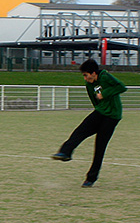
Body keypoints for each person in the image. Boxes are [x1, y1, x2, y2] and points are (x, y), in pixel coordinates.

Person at [52, 59, 127, 187]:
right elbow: (94, 100)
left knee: (100, 147)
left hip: (112, 116)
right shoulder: (89, 85)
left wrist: (105, 94)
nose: (85, 78)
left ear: (93, 73)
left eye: (86, 75)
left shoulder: (104, 76)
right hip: (100, 112)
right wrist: (98, 108)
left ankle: (91, 178)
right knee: (80, 131)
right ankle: (65, 152)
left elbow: (121, 87)